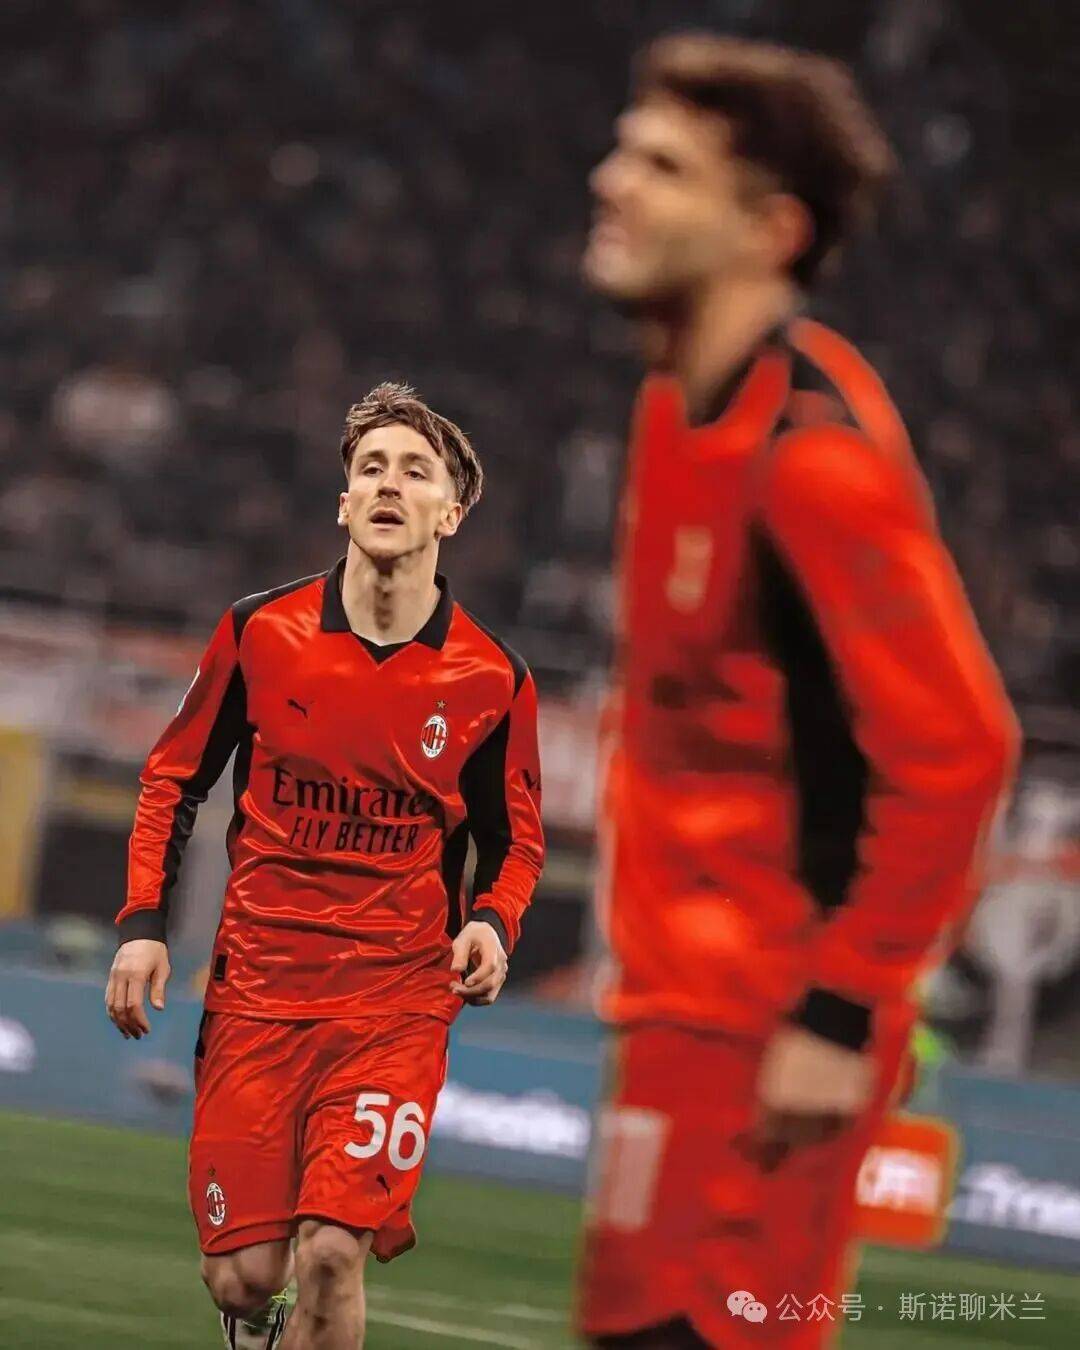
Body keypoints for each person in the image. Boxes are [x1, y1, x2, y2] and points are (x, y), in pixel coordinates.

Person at [576, 34, 1018, 1349]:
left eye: (665, 168)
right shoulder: (677, 408)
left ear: (770, 230)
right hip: (679, 1010)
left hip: (769, 1035)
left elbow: (960, 749)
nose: (611, 181)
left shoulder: (813, 459)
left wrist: (842, 1009)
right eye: (626, 151)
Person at [105, 382, 544, 1350]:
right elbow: (172, 779)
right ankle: (253, 1323)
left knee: (335, 1252)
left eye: (415, 471)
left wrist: (492, 921)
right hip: (259, 992)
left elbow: (516, 841)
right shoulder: (260, 632)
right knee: (244, 1276)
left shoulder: (491, 679)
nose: (389, 484)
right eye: (371, 468)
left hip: (395, 1003)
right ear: (344, 503)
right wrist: (142, 927)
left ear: (451, 514)